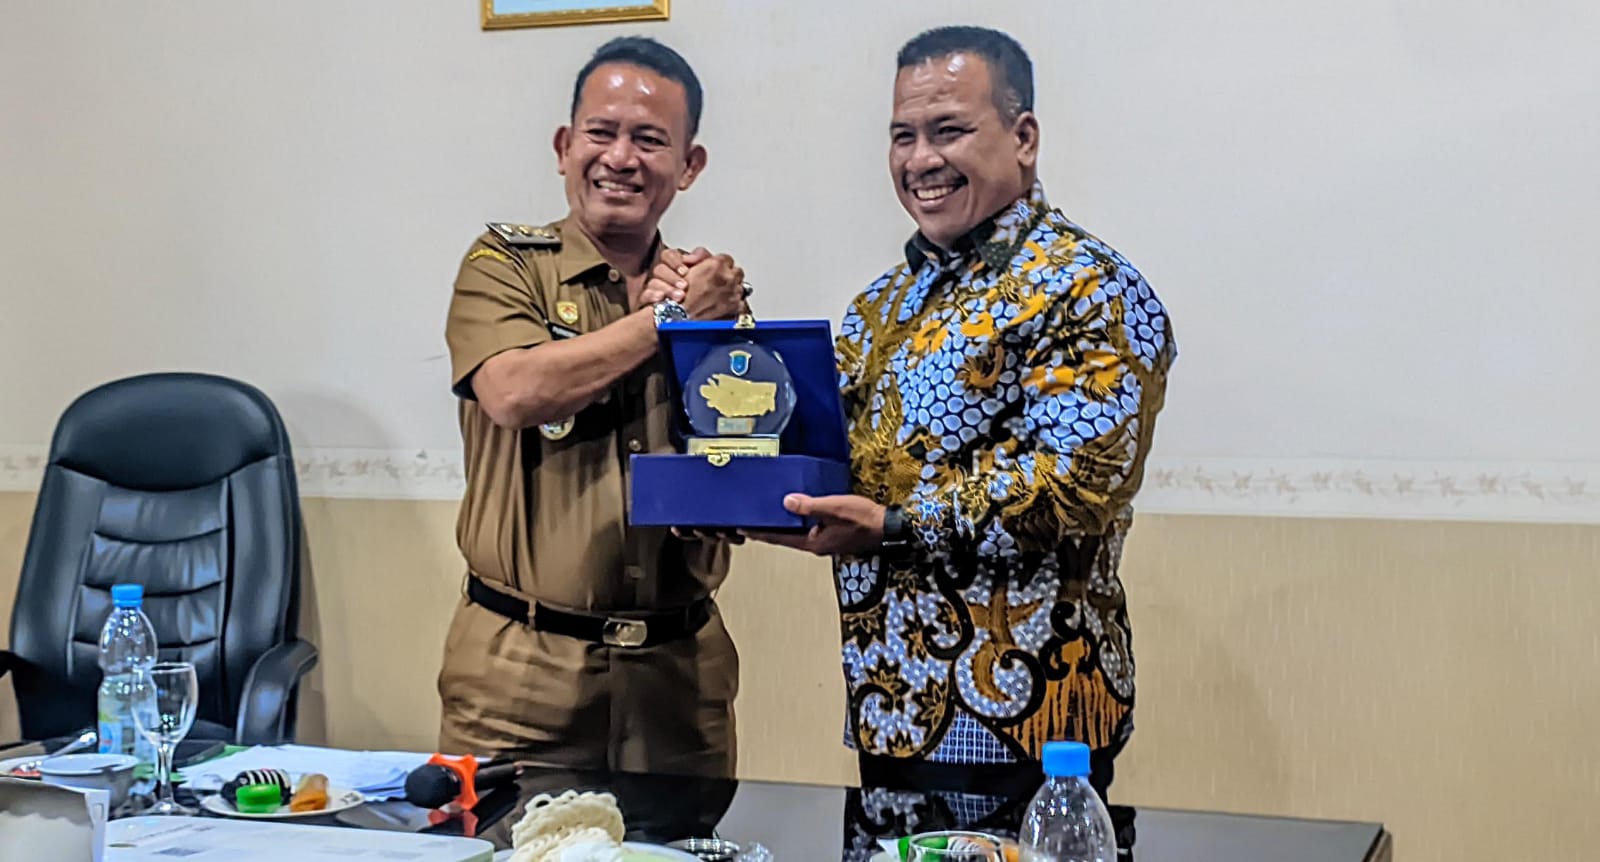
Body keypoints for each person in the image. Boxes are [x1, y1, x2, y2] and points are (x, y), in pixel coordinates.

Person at [742, 26, 1177, 797]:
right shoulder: (882, 303)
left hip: (1029, 723)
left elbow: (1079, 482)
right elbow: (827, 450)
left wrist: (894, 525)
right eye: (902, 136)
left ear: (1024, 137)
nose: (920, 160)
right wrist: (728, 480)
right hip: (890, 709)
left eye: (949, 131)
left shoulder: (1086, 286)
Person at [437, 35, 750, 778]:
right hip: (521, 678)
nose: (620, 157)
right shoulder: (506, 265)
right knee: (507, 840)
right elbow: (514, 392)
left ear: (689, 165)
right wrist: (666, 322)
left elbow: (742, 449)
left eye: (650, 140)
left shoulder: (708, 294)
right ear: (563, 147)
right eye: (601, 133)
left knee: (686, 840)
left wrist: (733, 496)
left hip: (679, 681)